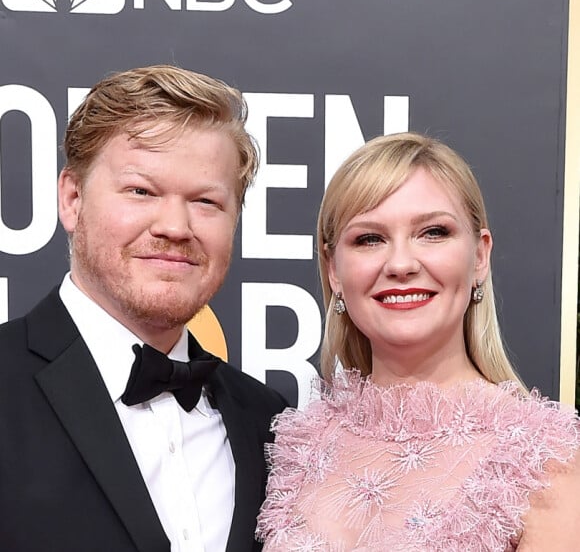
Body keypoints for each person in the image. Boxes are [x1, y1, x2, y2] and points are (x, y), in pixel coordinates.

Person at [0, 65, 287, 552]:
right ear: (72, 198)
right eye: (141, 191)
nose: (175, 226)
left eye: (205, 201)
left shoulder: (272, 426)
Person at [256, 132, 580, 551]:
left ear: (479, 256)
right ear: (333, 270)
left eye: (433, 232)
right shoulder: (299, 445)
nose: (401, 264)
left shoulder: (547, 460)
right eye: (369, 239)